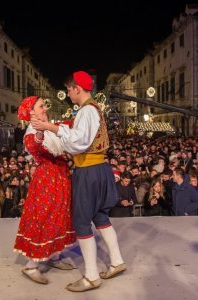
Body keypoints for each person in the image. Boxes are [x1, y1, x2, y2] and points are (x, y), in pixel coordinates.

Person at [31, 71, 126, 292]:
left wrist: (49, 127)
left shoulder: (86, 111)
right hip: (101, 168)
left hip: (88, 170)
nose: (68, 94)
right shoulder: (95, 109)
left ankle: (92, 276)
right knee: (101, 216)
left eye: (69, 90)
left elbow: (78, 141)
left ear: (77, 89)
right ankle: (117, 261)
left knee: (81, 222)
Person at [13, 96, 76, 285]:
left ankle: (53, 256)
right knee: (45, 218)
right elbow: (36, 146)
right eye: (41, 106)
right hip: (47, 180)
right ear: (31, 111)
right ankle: (31, 266)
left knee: (59, 217)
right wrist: (40, 132)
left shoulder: (49, 124)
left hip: (60, 177)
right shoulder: (32, 130)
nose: (44, 108)